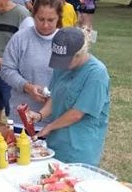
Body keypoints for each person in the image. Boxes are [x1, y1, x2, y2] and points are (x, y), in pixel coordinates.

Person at [28, 27, 110, 166]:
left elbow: (77, 113)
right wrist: (40, 115)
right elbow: (55, 97)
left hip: (80, 148)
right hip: (56, 144)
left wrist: (49, 127)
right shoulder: (61, 66)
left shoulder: (97, 74)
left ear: (79, 54)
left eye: (65, 60)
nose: (61, 65)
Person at [0, 0, 62, 129]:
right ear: (33, 15)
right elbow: (6, 70)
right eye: (40, 19)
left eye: (51, 20)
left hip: (55, 123)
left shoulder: (65, 41)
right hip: (21, 119)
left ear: (59, 18)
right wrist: (27, 87)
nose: (45, 25)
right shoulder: (20, 38)